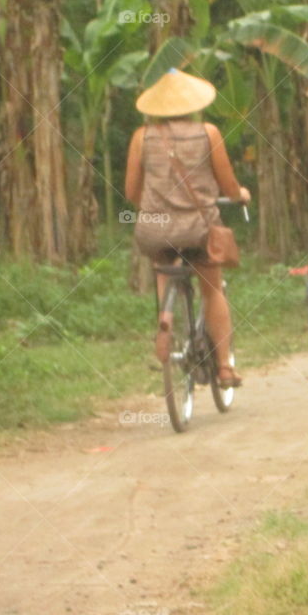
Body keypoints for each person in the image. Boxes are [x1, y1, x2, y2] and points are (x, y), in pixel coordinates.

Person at [125, 68, 251, 389]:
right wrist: (240, 195)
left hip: (154, 229)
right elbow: (228, 183)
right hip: (199, 228)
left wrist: (154, 209)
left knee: (164, 275)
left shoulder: (142, 136)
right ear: (193, 103)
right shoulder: (208, 133)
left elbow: (130, 192)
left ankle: (165, 319)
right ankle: (224, 368)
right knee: (212, 290)